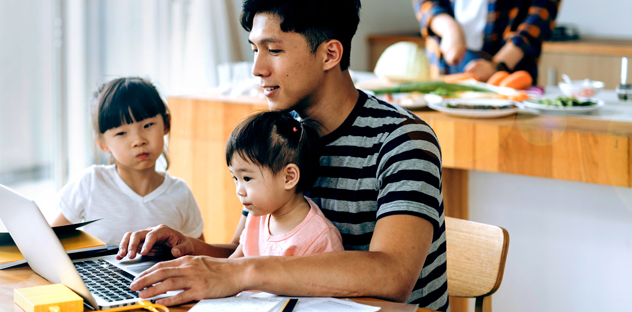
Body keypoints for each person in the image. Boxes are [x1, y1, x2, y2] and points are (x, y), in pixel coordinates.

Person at [116, 1, 448, 310]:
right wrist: (188, 250)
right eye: (255, 50)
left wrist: (242, 273)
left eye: (273, 50)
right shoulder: (278, 136)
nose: (257, 69)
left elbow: (393, 275)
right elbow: (244, 254)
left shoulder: (403, 141)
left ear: (330, 54)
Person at [49, 77, 204, 246]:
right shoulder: (90, 183)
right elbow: (50, 242)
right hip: (103, 273)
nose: (138, 140)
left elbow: (201, 254)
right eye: (122, 133)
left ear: (166, 125)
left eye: (148, 125)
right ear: (103, 144)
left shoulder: (180, 194)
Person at [226, 111, 343, 258]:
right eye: (235, 178)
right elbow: (233, 265)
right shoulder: (256, 217)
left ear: (288, 177)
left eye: (247, 178)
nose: (239, 191)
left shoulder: (319, 238)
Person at [413, 0, 561, 82]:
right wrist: (449, 29)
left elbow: (537, 21)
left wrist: (497, 66)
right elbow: (426, 3)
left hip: (508, 68)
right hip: (443, 64)